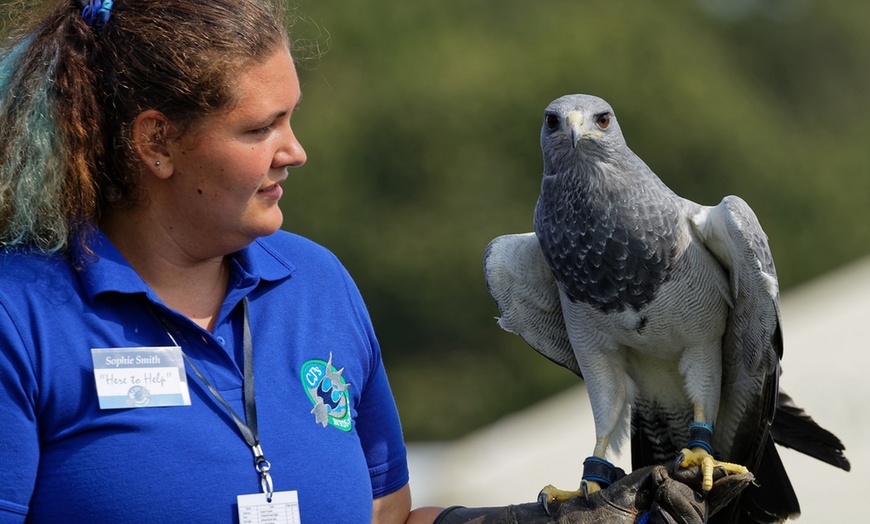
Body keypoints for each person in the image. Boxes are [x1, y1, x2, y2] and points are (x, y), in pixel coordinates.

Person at [0, 1, 751, 523]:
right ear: (156, 141)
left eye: (292, 117)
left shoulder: (316, 286)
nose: (296, 151)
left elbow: (383, 520)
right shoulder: (22, 315)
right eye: (261, 127)